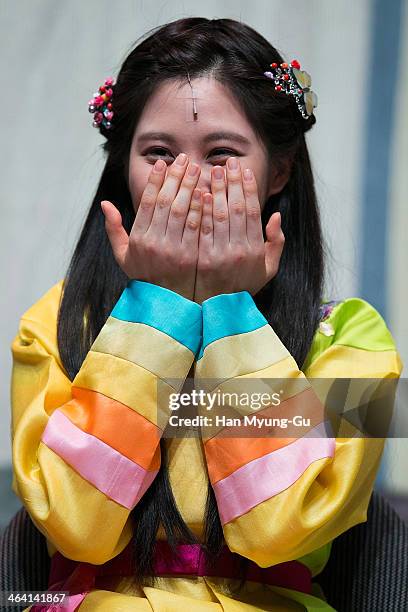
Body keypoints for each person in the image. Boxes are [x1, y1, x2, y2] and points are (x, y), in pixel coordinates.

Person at [10, 16, 403, 612]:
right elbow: (75, 525)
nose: (187, 182)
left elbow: (281, 528)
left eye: (221, 154)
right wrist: (157, 308)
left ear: (280, 170)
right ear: (124, 168)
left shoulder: (355, 340)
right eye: (159, 154)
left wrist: (229, 312)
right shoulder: (60, 321)